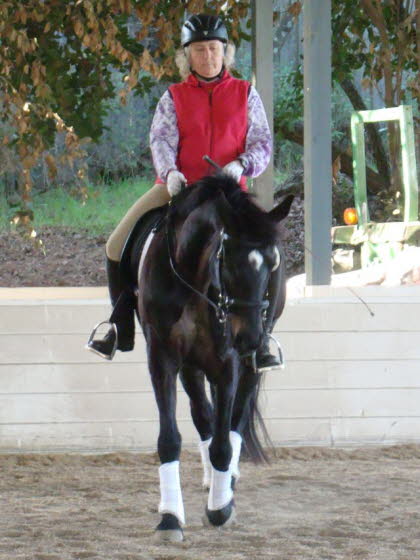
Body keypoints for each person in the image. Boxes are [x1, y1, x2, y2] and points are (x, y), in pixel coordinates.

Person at [86, 13, 281, 371]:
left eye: (214, 48)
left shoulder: (245, 94)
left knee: (268, 246)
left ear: (226, 52)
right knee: (116, 245)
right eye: (200, 50)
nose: (208, 56)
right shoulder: (172, 96)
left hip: (229, 193)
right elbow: (161, 139)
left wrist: (242, 165)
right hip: (180, 188)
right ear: (187, 56)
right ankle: (120, 327)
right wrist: (170, 172)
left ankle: (264, 336)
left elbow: (263, 143)